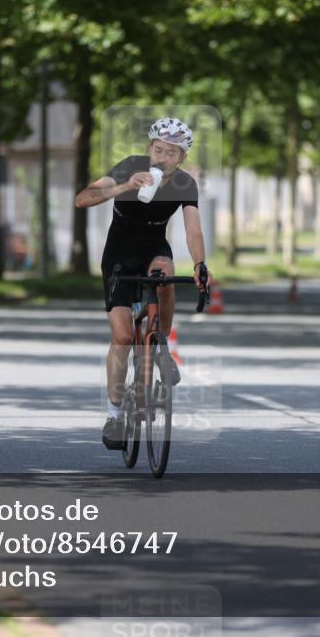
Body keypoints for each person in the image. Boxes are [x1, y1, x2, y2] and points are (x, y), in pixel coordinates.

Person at [74, 117, 211, 450]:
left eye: (172, 153)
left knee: (165, 275)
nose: (163, 157)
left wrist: (199, 264)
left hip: (154, 250)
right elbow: (83, 199)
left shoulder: (185, 184)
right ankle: (114, 415)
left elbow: (193, 230)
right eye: (158, 150)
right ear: (150, 148)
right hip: (119, 255)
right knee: (123, 337)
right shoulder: (130, 167)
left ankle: (161, 346)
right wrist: (124, 186)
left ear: (182, 158)